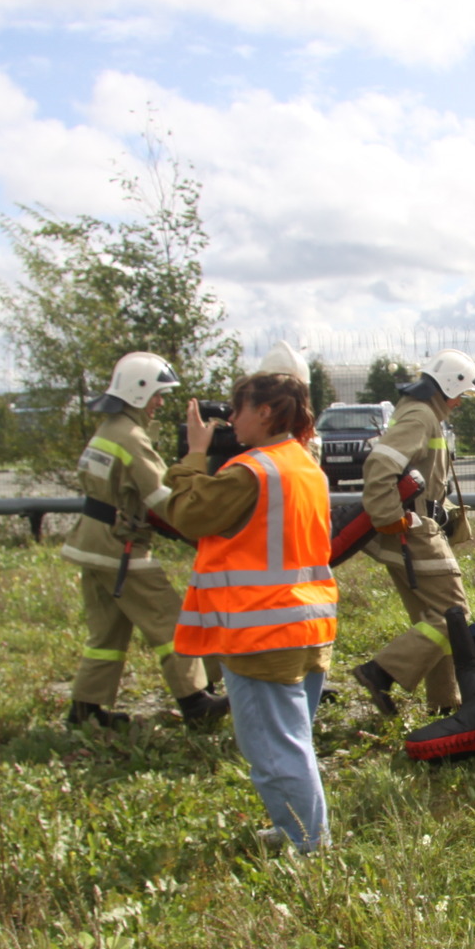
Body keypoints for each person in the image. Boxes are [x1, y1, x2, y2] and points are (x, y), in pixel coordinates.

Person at [170, 372, 338, 853]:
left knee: (275, 750)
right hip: (307, 624)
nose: (230, 419)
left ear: (264, 412)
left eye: (237, 408)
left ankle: (308, 847)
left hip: (262, 632)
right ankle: (297, 829)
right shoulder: (304, 466)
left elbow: (188, 514)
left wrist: (194, 455)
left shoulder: (252, 470)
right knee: (294, 741)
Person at [61, 351, 229, 730]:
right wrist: (207, 519)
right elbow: (163, 499)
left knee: (106, 634)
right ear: (138, 392)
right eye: (157, 394)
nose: (160, 403)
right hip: (120, 548)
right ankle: (195, 700)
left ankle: (85, 710)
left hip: (92, 543)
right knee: (171, 623)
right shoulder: (132, 438)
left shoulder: (108, 430)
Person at [351, 350, 475, 717]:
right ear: (447, 386)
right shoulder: (421, 415)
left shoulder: (422, 414)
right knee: (452, 614)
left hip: (417, 528)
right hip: (414, 531)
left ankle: (445, 704)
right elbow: (380, 466)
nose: (458, 403)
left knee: (434, 619)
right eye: (460, 394)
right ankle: (379, 673)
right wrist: (390, 516)